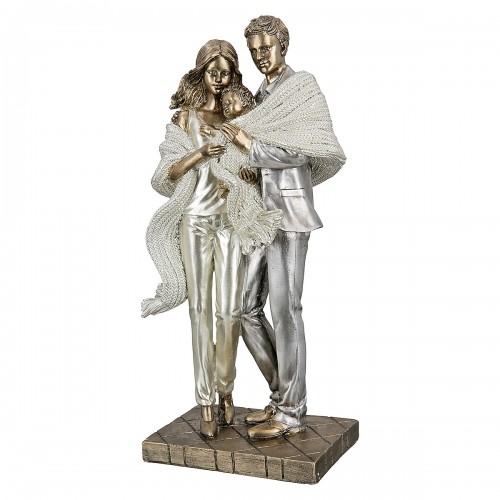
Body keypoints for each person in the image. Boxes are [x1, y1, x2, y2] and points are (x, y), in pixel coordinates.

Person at [142, 41, 281, 438]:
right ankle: (206, 400)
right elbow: (165, 175)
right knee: (200, 310)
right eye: (212, 71)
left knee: (231, 311)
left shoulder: (241, 116)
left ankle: (226, 388)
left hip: (231, 221)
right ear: (200, 72)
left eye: (226, 72)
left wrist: (247, 171)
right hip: (196, 221)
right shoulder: (185, 118)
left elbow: (253, 166)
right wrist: (201, 153)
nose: (219, 79)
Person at [220, 16, 347, 439]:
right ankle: (282, 396)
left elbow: (300, 151)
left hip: (290, 216)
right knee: (245, 308)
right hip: (259, 217)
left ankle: (292, 412)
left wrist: (249, 145)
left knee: (286, 311)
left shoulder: (301, 88)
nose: (260, 56)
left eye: (266, 48)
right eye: (254, 51)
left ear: (283, 46)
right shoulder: (257, 96)